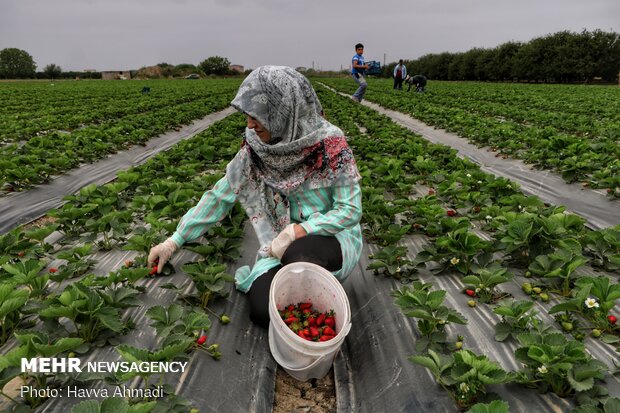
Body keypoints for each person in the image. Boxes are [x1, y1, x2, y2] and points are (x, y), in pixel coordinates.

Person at [148, 66, 363, 328]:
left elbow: (350, 210)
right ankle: (307, 301)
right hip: (278, 246)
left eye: (257, 116)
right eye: (248, 116)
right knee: (262, 311)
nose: (250, 124)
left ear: (283, 111)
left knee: (299, 253)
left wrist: (301, 230)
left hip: (330, 240)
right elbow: (219, 196)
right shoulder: (256, 149)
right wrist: (174, 241)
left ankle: (322, 296)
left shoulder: (330, 145)